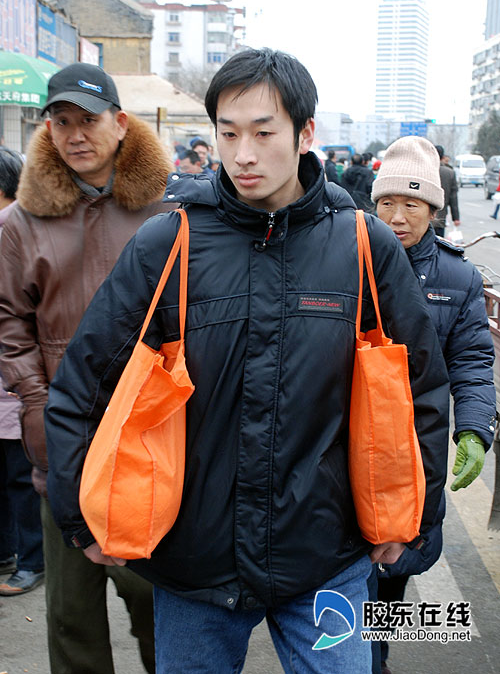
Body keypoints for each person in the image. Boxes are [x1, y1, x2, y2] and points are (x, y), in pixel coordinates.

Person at [45, 49, 450, 673]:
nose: (244, 154)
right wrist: (79, 516)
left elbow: (420, 385)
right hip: (194, 565)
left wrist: (414, 522)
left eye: (264, 133)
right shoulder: (168, 243)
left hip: (327, 557)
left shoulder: (362, 244)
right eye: (228, 133)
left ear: (305, 133)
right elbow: (83, 384)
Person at [0, 63, 176, 673]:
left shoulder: (170, 210)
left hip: (151, 430)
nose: (75, 134)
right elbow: (8, 321)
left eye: (89, 120)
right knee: (72, 611)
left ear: (121, 124)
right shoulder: (21, 223)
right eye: (61, 121)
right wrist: (34, 401)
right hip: (62, 433)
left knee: (159, 599)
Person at [372, 136, 496, 674]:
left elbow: (471, 361)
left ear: (434, 208)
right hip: (336, 450)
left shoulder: (458, 278)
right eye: (386, 203)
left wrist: (474, 427)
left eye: (412, 204)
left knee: (389, 585)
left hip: (413, 459)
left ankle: (373, 655)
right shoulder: (342, 260)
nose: (397, 218)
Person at [0, 147, 44, 596]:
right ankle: (7, 551)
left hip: (17, 390)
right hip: (11, 385)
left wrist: (30, 388)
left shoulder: (19, 230)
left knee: (22, 480)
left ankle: (32, 560)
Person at [433, 144, 460, 237]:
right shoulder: (450, 173)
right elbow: (453, 198)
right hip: (440, 218)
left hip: (422, 219)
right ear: (442, 157)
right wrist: (456, 218)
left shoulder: (422, 170)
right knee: (439, 245)